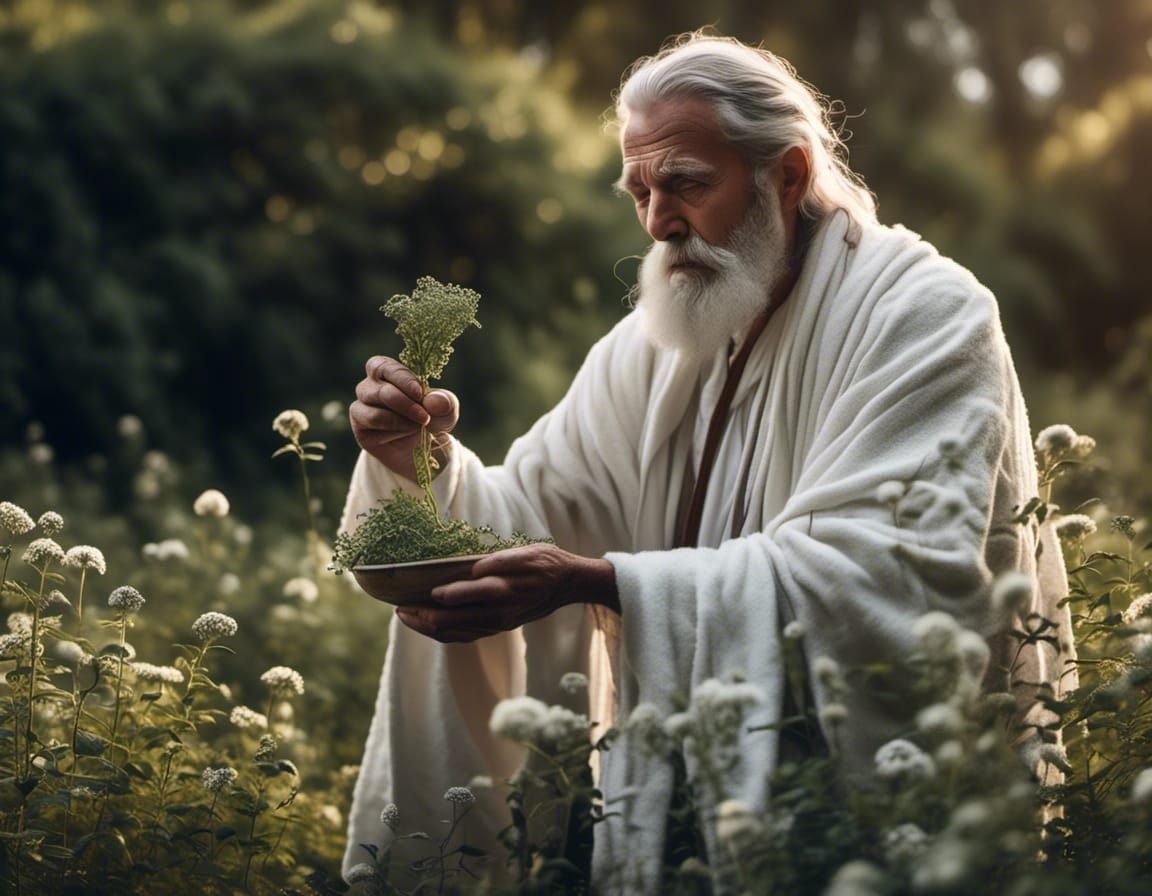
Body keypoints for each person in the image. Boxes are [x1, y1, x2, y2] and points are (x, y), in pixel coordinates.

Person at [340, 32, 1069, 893]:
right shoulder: (657, 341)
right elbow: (533, 508)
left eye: (686, 182)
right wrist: (420, 464)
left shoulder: (925, 317)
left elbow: (890, 578)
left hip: (873, 838)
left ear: (787, 176)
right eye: (639, 190)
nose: (657, 221)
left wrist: (600, 583)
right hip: (685, 819)